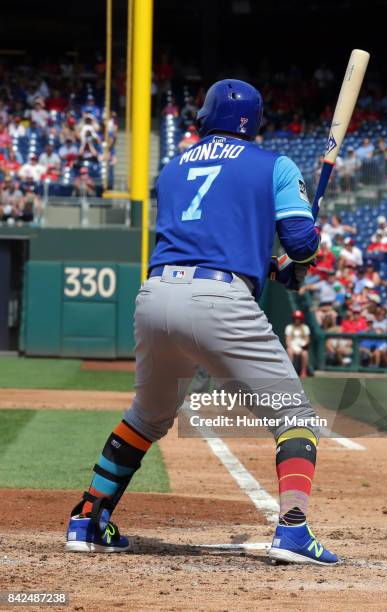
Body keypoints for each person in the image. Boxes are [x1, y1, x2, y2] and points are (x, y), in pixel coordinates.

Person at [65, 79, 337, 564]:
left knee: (146, 417)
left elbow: (212, 234)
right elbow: (299, 241)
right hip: (219, 300)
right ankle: (294, 531)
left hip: (156, 295)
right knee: (295, 418)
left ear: (205, 117)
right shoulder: (274, 164)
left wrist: (276, 266)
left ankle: (88, 517)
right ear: (253, 121)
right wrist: (306, 252)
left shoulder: (172, 168)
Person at [285, 310, 310, 378]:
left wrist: (303, 346)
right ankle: (290, 372)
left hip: (301, 348)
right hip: (292, 347)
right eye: (296, 318)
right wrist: (292, 348)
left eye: (298, 318)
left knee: (305, 353)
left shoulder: (305, 328)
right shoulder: (289, 327)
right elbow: (288, 340)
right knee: (289, 351)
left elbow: (307, 340)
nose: (297, 320)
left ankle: (303, 371)